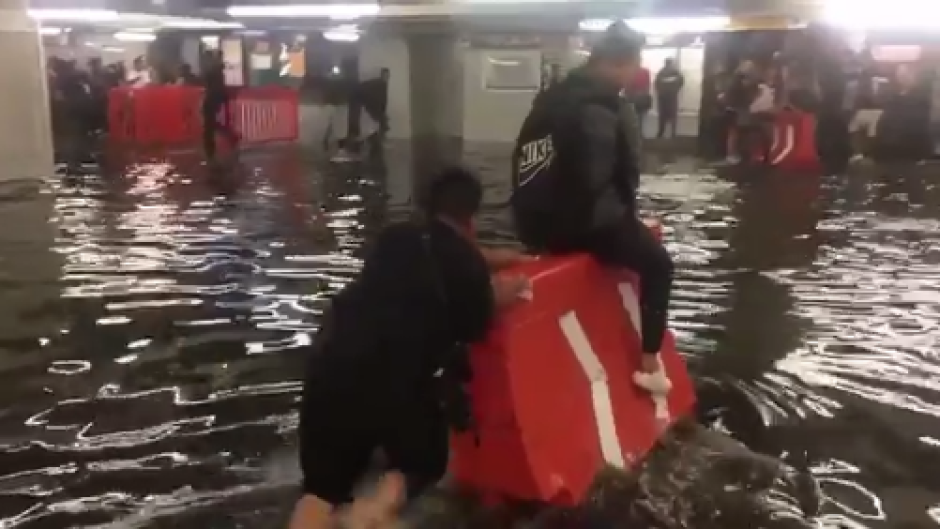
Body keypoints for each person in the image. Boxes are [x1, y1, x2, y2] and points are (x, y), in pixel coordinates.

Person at [288, 167, 531, 529]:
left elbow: (450, 254)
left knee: (320, 491)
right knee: (421, 462)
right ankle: (370, 514)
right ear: (472, 216)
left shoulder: (396, 237)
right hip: (390, 378)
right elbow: (481, 312)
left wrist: (500, 258)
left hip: (329, 363)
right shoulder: (467, 269)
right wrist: (516, 284)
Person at [510, 21, 674, 397]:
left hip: (537, 225)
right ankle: (650, 362)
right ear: (621, 62)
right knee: (660, 266)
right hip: (583, 225)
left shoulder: (553, 97)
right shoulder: (603, 104)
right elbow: (599, 176)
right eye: (634, 65)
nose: (635, 74)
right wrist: (621, 221)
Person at [201, 50, 239, 161]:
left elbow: (213, 86)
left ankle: (211, 152)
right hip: (216, 99)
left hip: (212, 99)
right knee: (212, 126)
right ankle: (230, 138)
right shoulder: (216, 70)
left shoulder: (213, 70)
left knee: (210, 127)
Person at [654, 58, 684, 139]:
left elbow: (656, 84)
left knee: (662, 115)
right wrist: (675, 90)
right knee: (672, 115)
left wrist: (660, 92)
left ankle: (661, 132)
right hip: (672, 96)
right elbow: (681, 82)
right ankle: (673, 133)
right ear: (671, 63)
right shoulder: (676, 72)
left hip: (663, 97)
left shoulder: (661, 72)